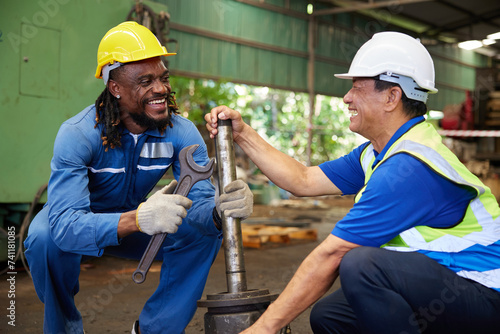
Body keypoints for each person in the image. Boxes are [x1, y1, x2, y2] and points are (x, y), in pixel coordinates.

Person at [205, 31, 500, 334]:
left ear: (391, 97)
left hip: (486, 296)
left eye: (357, 87)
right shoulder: (379, 152)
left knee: (361, 265)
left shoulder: (410, 167)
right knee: (330, 316)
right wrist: (243, 134)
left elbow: (331, 254)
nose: (346, 97)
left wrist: (262, 329)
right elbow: (303, 180)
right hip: (450, 285)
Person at [24, 21, 253, 334]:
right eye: (145, 81)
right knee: (43, 238)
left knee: (204, 233)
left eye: (162, 77)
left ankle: (156, 329)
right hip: (82, 222)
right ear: (115, 88)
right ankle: (63, 328)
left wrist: (218, 211)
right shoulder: (78, 135)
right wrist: (138, 219)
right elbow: (65, 226)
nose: (160, 88)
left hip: (137, 225)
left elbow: (199, 201)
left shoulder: (181, 133)